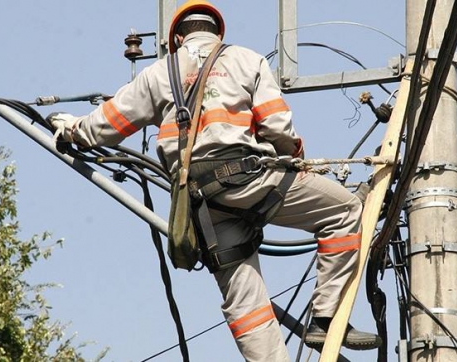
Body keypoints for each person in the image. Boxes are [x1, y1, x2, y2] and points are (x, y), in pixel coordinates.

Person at [50, 1, 381, 360]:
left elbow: (105, 127)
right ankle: (326, 318)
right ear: (217, 33)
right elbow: (278, 128)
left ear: (176, 37)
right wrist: (295, 159)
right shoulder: (246, 60)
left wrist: (70, 128)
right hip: (253, 177)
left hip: (202, 200)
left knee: (245, 300)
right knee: (345, 210)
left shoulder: (159, 72)